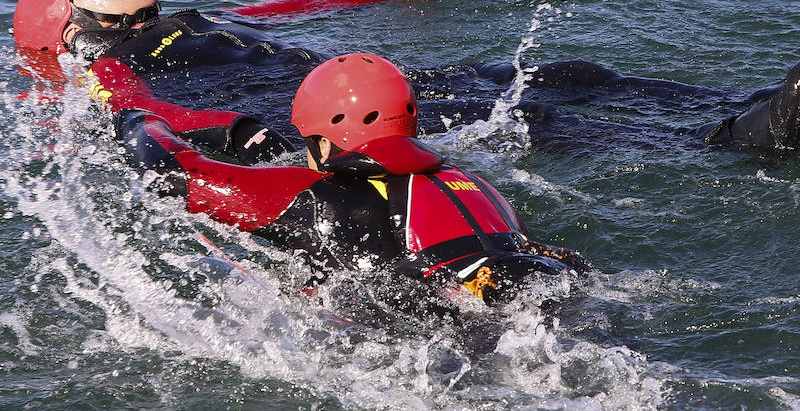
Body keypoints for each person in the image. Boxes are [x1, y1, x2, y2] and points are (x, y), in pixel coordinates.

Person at [13, 0, 800, 152]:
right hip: (336, 115)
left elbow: (309, 2)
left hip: (400, 76)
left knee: (572, 75)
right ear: (72, 19)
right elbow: (144, 117)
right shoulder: (115, 68)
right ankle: (734, 142)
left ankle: (765, 99)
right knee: (533, 118)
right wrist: (254, 142)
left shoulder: (202, 20)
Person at [100, 53, 593, 305]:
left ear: (323, 141)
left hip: (441, 335)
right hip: (545, 290)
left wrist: (137, 119)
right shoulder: (478, 188)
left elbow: (170, 176)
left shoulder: (317, 196)